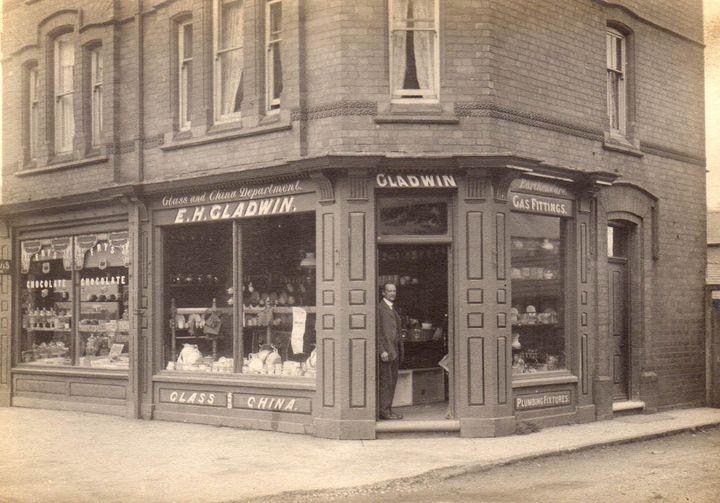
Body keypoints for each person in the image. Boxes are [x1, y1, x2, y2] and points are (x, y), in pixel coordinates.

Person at [377, 283, 403, 420]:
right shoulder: (380, 308)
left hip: (394, 351)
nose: (392, 293)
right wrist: (382, 350)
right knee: (387, 382)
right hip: (387, 352)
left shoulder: (391, 308)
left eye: (394, 291)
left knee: (391, 382)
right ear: (383, 293)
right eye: (389, 291)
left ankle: (388, 410)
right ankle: (384, 411)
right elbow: (378, 331)